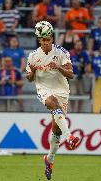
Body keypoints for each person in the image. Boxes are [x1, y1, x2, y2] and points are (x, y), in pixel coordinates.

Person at [26, 21, 80, 180]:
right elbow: (29, 78)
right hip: (44, 89)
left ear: (51, 39)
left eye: (48, 39)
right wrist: (33, 71)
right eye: (43, 40)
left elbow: (71, 74)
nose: (46, 42)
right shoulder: (33, 56)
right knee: (52, 104)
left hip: (62, 90)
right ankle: (70, 137)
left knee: (56, 130)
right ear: (39, 41)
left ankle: (49, 159)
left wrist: (59, 67)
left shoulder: (62, 52)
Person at [69, 40, 90, 112]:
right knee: (73, 94)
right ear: (74, 46)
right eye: (77, 45)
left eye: (80, 45)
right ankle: (72, 110)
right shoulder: (70, 53)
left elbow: (88, 63)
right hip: (72, 77)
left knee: (81, 94)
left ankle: (79, 110)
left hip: (81, 77)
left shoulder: (84, 54)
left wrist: (87, 71)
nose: (79, 46)